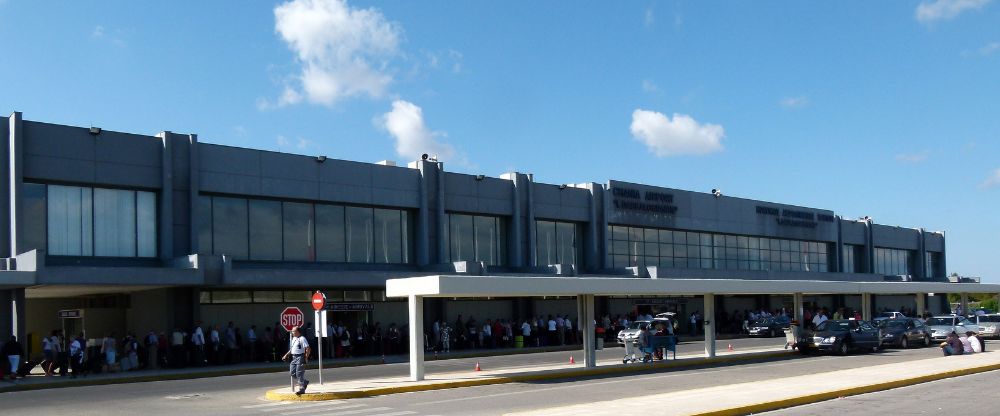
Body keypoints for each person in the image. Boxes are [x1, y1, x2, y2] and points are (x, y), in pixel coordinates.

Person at [282, 326, 311, 395]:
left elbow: (308, 348)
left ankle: (302, 389)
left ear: (298, 332)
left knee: (299, 374)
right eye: (292, 331)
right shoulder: (294, 338)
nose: (292, 332)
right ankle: (305, 382)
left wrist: (306, 357)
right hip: (294, 357)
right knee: (292, 373)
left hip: (300, 357)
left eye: (293, 331)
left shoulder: (302, 338)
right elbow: (292, 349)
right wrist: (286, 355)